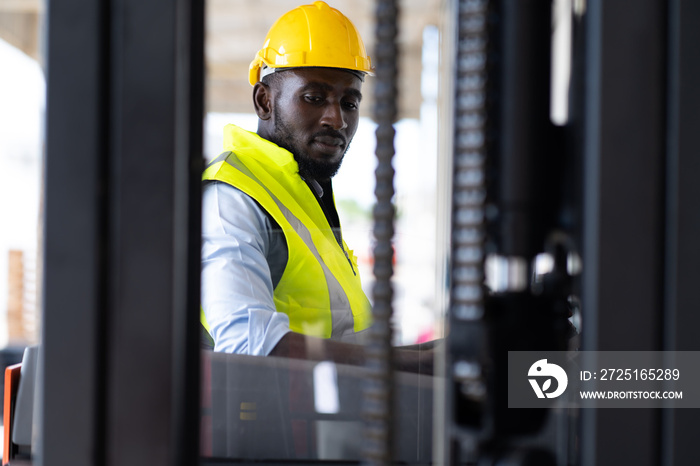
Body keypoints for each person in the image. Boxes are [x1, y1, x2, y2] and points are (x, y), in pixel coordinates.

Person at [200, 1, 435, 372]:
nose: (336, 118)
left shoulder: (305, 194)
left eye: (349, 102)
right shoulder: (233, 198)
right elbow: (248, 342)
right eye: (314, 98)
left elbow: (345, 341)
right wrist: (412, 366)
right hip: (270, 427)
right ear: (265, 100)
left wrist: (438, 355)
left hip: (335, 420)